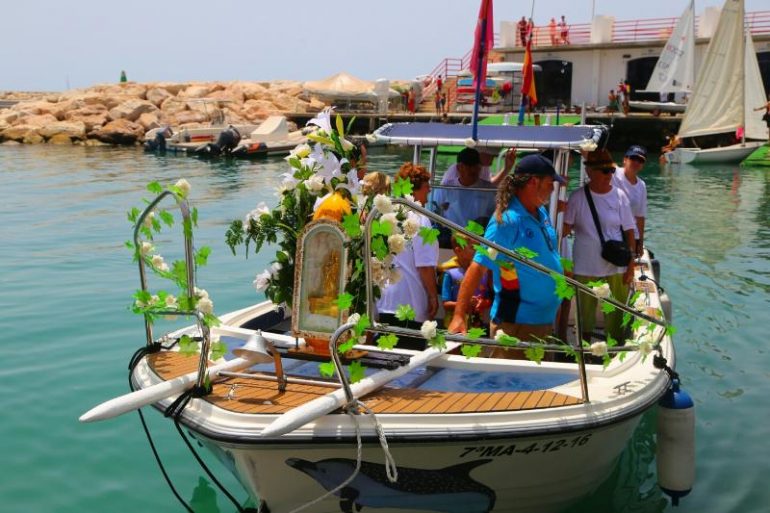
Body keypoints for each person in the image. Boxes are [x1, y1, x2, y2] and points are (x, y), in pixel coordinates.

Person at [448, 154, 565, 357]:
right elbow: (478, 266)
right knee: (512, 388)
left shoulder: (541, 213)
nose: (552, 189)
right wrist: (459, 315)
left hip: (543, 322)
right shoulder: (507, 222)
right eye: (550, 183)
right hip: (516, 326)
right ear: (533, 182)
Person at [563, 149, 636, 344]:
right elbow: (563, 231)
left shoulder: (620, 196)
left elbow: (630, 231)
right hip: (586, 265)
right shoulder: (577, 197)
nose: (608, 175)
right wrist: (557, 208)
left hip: (616, 264)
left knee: (616, 312)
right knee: (584, 313)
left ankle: (615, 349)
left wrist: (631, 264)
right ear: (590, 172)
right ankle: (584, 350)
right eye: (604, 171)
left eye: (611, 171)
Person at [376, 163, 439, 350]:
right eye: (427, 186)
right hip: (410, 304)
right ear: (416, 189)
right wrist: (433, 297)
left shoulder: (386, 215)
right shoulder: (421, 219)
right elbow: (425, 267)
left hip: (385, 301)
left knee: (387, 360)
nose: (429, 191)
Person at [433, 148, 496, 229]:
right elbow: (434, 212)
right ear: (459, 167)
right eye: (469, 166)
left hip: (478, 237)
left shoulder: (489, 190)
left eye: (476, 166)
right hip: (450, 235)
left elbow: (495, 217)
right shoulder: (445, 188)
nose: (473, 170)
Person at [441, 233, 491, 328]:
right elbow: (445, 304)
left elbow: (488, 299)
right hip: (453, 326)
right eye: (473, 247)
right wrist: (464, 304)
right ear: (458, 251)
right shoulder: (450, 274)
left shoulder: (483, 274)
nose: (477, 250)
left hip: (477, 327)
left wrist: (482, 303)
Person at [613, 146, 648, 256]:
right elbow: (600, 159)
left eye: (641, 160)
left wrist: (640, 243)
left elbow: (640, 217)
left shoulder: (641, 185)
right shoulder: (613, 173)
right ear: (625, 159)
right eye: (633, 158)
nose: (636, 162)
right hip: (612, 232)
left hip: (632, 236)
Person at [441, 147, 516, 187]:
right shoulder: (454, 170)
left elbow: (489, 185)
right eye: (491, 155)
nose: (493, 158)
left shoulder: (484, 167)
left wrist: (507, 168)